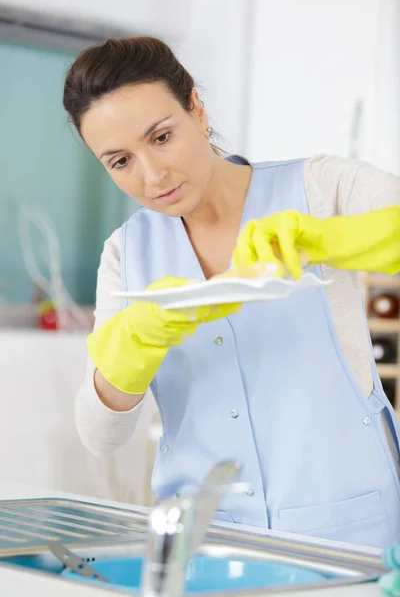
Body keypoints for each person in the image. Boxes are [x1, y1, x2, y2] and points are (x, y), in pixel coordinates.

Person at [63, 36, 400, 549]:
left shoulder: (321, 189)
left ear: (196, 109)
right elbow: (99, 437)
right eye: (120, 161)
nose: (153, 177)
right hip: (205, 545)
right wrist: (137, 341)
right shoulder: (124, 255)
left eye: (160, 137)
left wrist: (324, 239)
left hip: (350, 534)